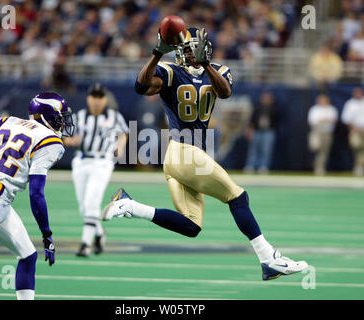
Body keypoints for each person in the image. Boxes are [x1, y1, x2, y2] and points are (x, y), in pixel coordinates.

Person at [101, 27, 308, 281]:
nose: (189, 54)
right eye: (185, 50)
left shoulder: (219, 71)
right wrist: (157, 54)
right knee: (237, 197)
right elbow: (140, 86)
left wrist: (206, 64)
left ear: (205, 48)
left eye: (193, 49)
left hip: (184, 156)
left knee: (191, 226)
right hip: (182, 150)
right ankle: (268, 259)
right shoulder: (170, 71)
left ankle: (129, 205)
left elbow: (225, 92)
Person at [0, 92, 75, 299]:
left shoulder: (8, 122)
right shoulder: (51, 142)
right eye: (59, 117)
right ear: (46, 116)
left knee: (28, 256)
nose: (63, 123)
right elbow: (36, 194)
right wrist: (46, 234)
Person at [64, 84, 128, 257]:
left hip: (102, 162)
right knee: (84, 206)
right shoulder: (80, 116)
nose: (97, 100)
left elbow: (123, 133)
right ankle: (99, 233)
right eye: (94, 96)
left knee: (92, 202)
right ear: (88, 98)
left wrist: (120, 148)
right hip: (81, 160)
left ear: (105, 99)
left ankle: (85, 244)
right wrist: (72, 141)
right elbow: (65, 138)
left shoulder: (114, 116)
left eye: (100, 97)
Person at [243, 91, 279, 174]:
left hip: (268, 131)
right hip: (257, 130)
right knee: (253, 150)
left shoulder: (274, 108)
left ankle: (263, 166)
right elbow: (252, 120)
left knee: (266, 150)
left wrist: (268, 108)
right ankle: (250, 166)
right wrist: (249, 130)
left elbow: (277, 119)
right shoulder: (257, 107)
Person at [308, 94, 338, 175]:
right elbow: (313, 122)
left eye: (325, 100)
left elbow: (333, 121)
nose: (323, 102)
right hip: (316, 132)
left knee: (324, 151)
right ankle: (315, 163)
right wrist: (325, 120)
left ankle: (320, 167)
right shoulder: (314, 109)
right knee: (315, 147)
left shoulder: (331, 109)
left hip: (327, 132)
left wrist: (322, 120)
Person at [341, 87, 364, 176]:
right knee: (356, 147)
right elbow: (346, 118)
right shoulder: (350, 104)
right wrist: (353, 129)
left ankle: (361, 166)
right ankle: (358, 166)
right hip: (355, 130)